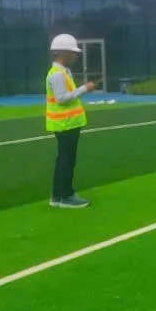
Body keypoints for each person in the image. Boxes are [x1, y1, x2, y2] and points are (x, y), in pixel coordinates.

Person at [45, 34, 96, 208]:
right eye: (72, 52)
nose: (75, 56)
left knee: (64, 159)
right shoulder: (58, 74)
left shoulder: (62, 72)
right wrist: (84, 89)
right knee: (66, 160)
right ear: (62, 53)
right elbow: (61, 99)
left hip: (67, 123)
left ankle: (58, 195)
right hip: (65, 124)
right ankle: (65, 196)